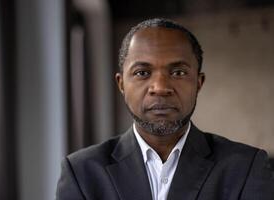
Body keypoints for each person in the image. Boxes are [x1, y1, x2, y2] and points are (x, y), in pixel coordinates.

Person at [55, 18, 274, 200]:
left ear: (199, 83)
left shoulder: (246, 168)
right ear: (121, 84)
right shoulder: (82, 173)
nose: (160, 88)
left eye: (178, 72)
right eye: (142, 72)